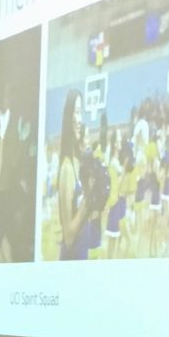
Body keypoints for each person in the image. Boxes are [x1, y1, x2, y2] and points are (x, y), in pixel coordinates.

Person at [57, 89, 99, 261]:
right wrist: (89, 198)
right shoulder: (67, 168)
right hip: (71, 259)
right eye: (75, 112)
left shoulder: (79, 162)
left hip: (82, 254)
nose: (79, 119)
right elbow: (68, 237)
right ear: (68, 117)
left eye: (80, 112)